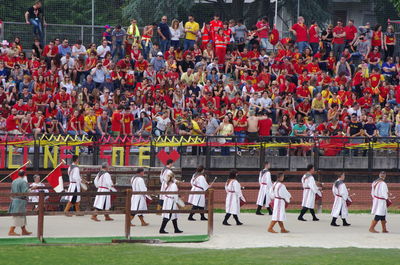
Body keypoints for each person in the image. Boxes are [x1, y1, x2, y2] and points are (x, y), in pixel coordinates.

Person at [8, 170, 32, 236]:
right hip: (20, 201)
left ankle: (24, 231)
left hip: (15, 200)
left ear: (18, 174)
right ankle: (11, 231)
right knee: (18, 216)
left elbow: (11, 192)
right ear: (24, 175)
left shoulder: (14, 181)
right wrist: (32, 189)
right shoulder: (23, 182)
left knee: (22, 216)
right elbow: (25, 192)